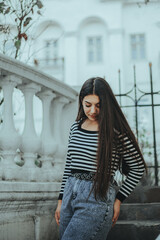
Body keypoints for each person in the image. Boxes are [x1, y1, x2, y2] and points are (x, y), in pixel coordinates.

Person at [55, 77, 147, 240]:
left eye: (98, 105)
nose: (92, 111)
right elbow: (69, 166)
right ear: (81, 102)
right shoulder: (76, 127)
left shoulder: (116, 131)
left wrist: (118, 200)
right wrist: (61, 201)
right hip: (70, 195)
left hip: (96, 199)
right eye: (88, 105)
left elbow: (138, 168)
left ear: (107, 104)